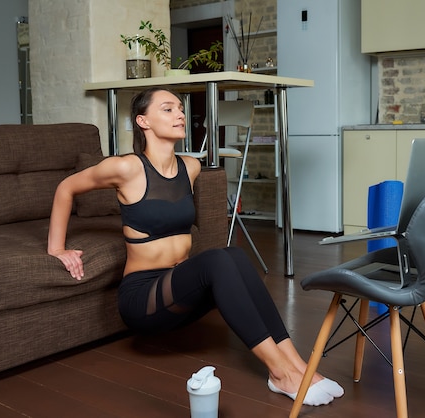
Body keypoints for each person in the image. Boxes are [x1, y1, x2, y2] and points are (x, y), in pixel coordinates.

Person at [47, 87, 344, 406]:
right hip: (144, 300)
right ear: (143, 121)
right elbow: (66, 188)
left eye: (180, 108)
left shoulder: (190, 167)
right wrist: (57, 249)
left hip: (180, 294)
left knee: (233, 255)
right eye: (167, 109)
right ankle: (279, 372)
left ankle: (299, 365)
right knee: (217, 260)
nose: (180, 114)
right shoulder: (126, 168)